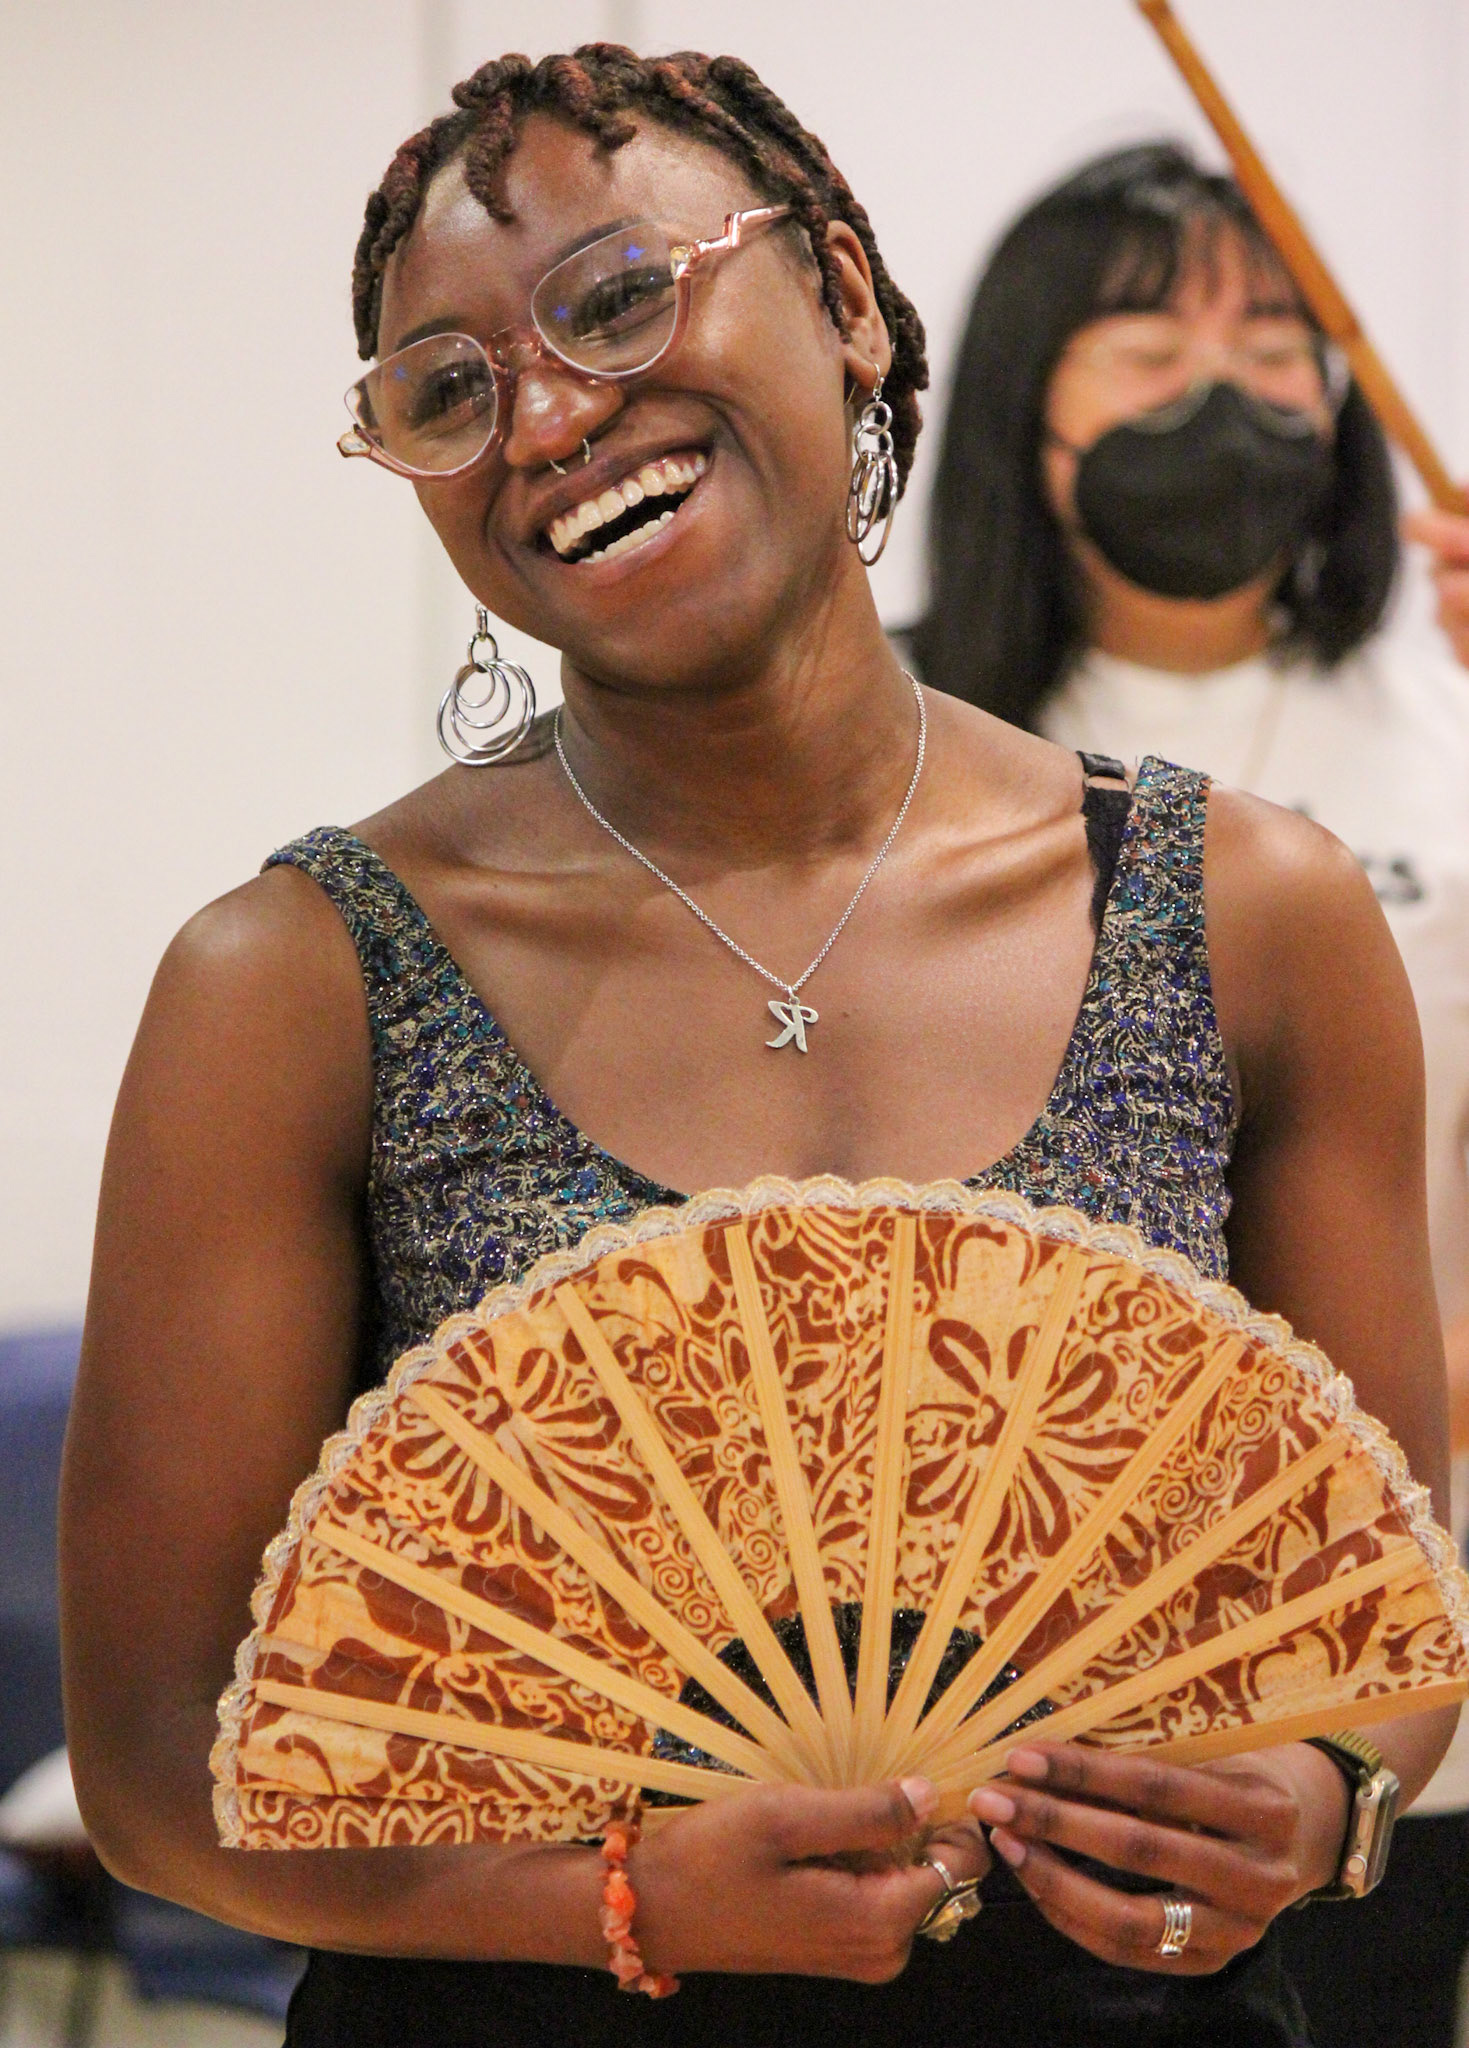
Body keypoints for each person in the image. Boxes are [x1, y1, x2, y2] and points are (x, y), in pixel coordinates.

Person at [60, 56, 1456, 2048]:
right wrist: (617, 1900)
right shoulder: (291, 983)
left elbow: (1375, 1599)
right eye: (448, 393)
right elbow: (153, 1767)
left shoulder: (1253, 911)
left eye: (620, 300)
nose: (549, 419)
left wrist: (1322, 1803)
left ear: (847, 300)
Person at [913, 140, 1469, 2048]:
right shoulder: (895, 747)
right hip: (974, 1667)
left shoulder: (1447, 730)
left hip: (1385, 1645)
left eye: (1271, 341)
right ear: (1021, 403)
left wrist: (1381, 1411)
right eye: (1147, 348)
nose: (1219, 393)